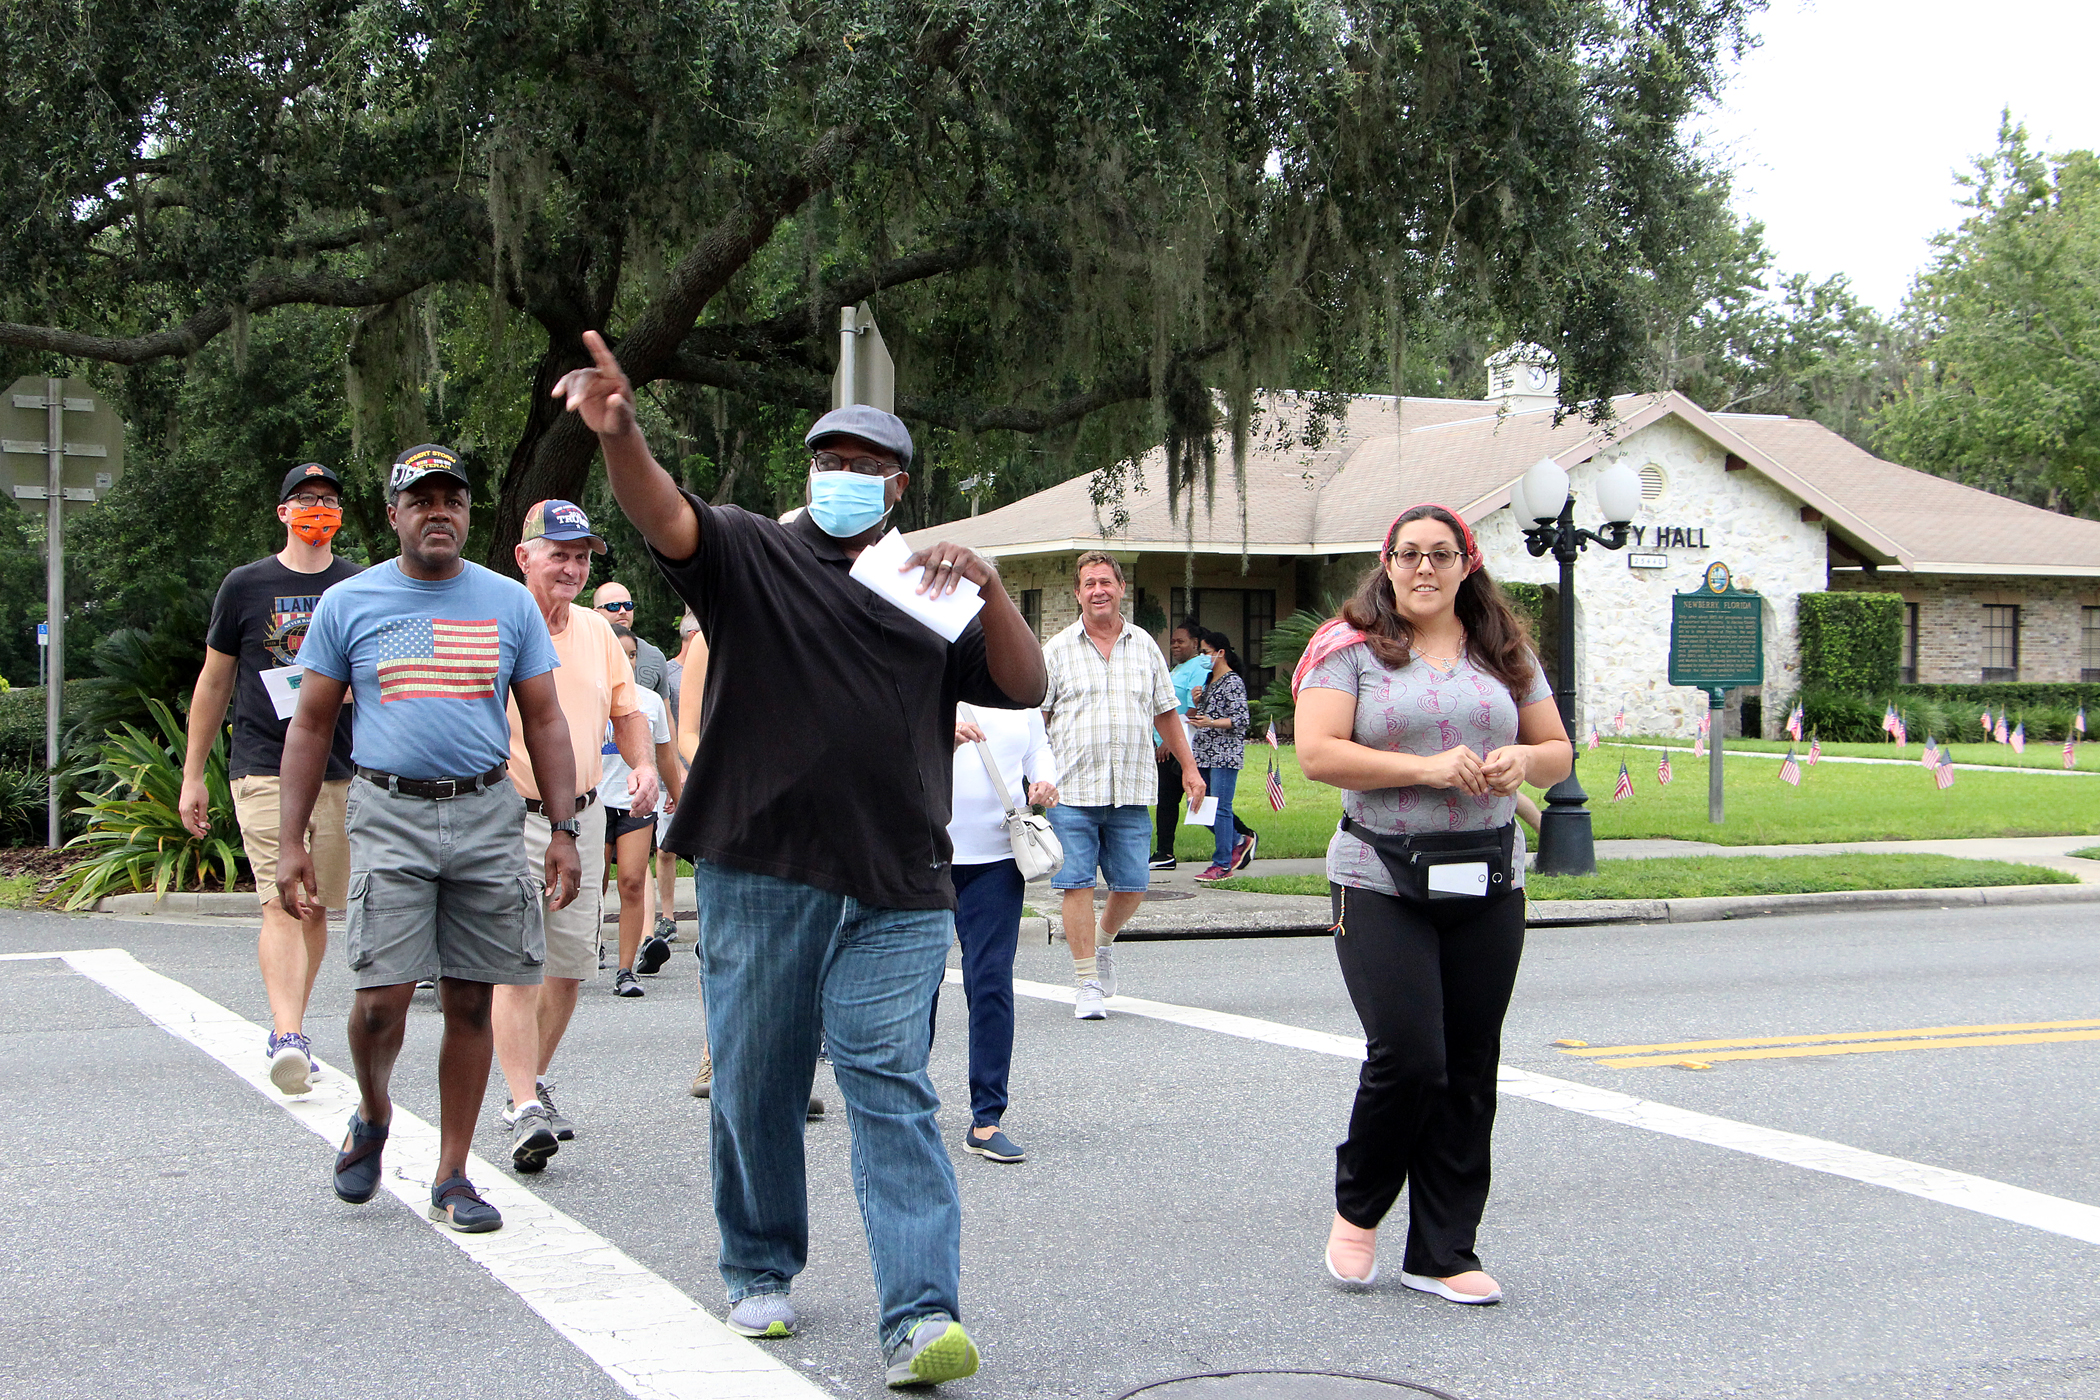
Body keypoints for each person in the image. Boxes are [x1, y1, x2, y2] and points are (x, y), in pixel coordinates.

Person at [554, 330, 1045, 1388]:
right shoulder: (749, 552)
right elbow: (663, 513)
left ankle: (919, 1315)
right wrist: (620, 432)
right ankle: (760, 1263)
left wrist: (993, 583)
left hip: (900, 878)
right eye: (829, 461)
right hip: (762, 862)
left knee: (891, 1085)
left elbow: (1023, 684)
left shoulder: (930, 579)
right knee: (759, 1077)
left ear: (899, 483)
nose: (843, 478)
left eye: (865, 466)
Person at [277, 443, 582, 1234]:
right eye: (421, 500)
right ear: (394, 515)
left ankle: (452, 1173)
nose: (437, 512)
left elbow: (544, 718)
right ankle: (373, 1115)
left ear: (468, 513)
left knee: (470, 1000)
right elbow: (311, 724)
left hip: (487, 814)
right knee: (379, 1002)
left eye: (451, 499)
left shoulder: (506, 604)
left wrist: (563, 828)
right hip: (389, 813)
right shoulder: (352, 602)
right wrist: (291, 840)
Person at [1293, 503, 1571, 1305]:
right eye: (1409, 554)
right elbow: (1317, 754)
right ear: (1387, 564)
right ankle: (1359, 1206)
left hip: (1486, 877)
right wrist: (1427, 770)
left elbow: (1557, 752)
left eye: (1441, 555)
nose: (1424, 568)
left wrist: (1522, 757)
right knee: (1410, 1055)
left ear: (1466, 565)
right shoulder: (1346, 648)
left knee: (1469, 1066)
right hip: (1381, 874)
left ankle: (1443, 1251)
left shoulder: (1503, 649)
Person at [179, 462, 362, 1096]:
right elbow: (214, 681)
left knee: (315, 906)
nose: (320, 509)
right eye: (307, 499)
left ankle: (294, 1024)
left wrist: (341, 694)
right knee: (281, 897)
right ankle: (288, 1034)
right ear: (283, 511)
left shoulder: (356, 585)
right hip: (262, 763)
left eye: (331, 500)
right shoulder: (245, 586)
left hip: (340, 770)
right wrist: (193, 773)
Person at [494, 499, 660, 1171]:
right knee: (516, 964)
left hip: (586, 814)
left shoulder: (596, 630)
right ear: (523, 556)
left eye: (582, 556)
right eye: (558, 553)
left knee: (567, 968)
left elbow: (626, 710)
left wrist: (645, 763)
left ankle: (528, 1087)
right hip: (508, 813)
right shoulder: (493, 620)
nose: (571, 566)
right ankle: (522, 1101)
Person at [1040, 553, 1204, 1020]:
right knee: (1075, 885)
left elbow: (1166, 712)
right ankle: (1086, 980)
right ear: (1077, 593)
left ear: (1121, 587)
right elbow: (1040, 720)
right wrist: (1035, 776)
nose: (1098, 590)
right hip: (1072, 790)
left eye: (1106, 582)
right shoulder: (1056, 650)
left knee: (1133, 885)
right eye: (1089, 583)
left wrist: (1190, 770)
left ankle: (1105, 943)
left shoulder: (1146, 647)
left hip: (1131, 788)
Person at [940, 705, 1059, 1164]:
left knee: (990, 982)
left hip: (997, 857)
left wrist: (1043, 780)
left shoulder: (1019, 696)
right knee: (920, 982)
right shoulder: (931, 671)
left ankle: (987, 1117)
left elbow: (1038, 750)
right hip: (929, 851)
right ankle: (907, 1102)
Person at [604, 623, 684, 996]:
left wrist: (678, 795)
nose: (627, 661)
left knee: (633, 882)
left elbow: (665, 755)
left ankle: (625, 970)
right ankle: (585, 951)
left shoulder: (649, 702)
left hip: (635, 804)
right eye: (621, 654)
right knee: (593, 885)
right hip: (593, 801)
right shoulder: (592, 696)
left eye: (633, 655)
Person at [1186, 628, 1255, 882]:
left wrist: (1212, 722)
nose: (1203, 657)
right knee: (1198, 806)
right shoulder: (1208, 681)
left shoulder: (1232, 681)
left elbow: (1240, 719)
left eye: (1205, 652)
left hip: (1224, 755)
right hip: (1203, 753)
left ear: (1220, 652)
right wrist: (1195, 703)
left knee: (1221, 808)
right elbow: (1198, 717)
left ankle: (1222, 863)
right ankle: (1238, 839)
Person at [1149, 619, 1209, 870]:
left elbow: (1192, 709)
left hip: (1179, 745)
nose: (1174, 645)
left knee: (1188, 799)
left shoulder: (1200, 666)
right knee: (1167, 800)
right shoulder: (1177, 669)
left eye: (1180, 641)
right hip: (1162, 744)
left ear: (1195, 644)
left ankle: (1240, 835)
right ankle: (1164, 852)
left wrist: (1167, 742)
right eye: (1172, 641)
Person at [593, 580, 673, 706]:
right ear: (596, 613)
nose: (623, 611)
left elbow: (665, 712)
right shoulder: (585, 652)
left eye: (628, 605)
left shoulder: (655, 656)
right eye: (613, 606)